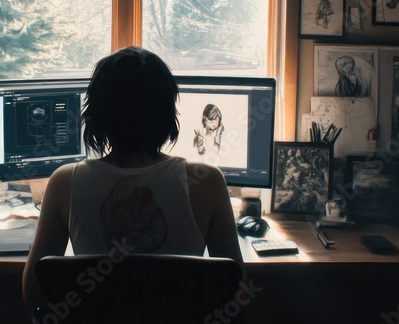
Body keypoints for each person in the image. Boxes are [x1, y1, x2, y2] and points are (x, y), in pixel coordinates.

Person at [22, 47, 242, 304]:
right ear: (167, 114)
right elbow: (236, 289)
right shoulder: (207, 181)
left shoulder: (64, 182)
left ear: (95, 115)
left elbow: (34, 292)